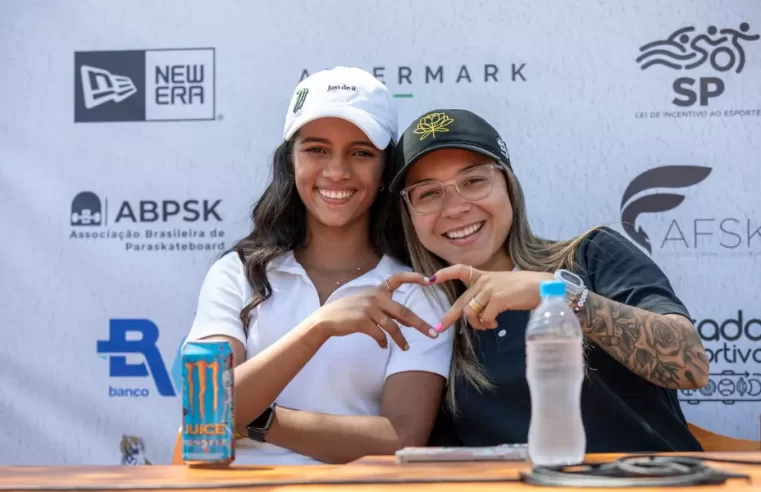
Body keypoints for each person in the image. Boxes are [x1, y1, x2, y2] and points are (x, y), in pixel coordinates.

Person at [388, 108, 710, 453]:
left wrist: (557, 294)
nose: (454, 208)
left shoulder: (590, 254)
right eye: (428, 194)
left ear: (509, 186)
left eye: (474, 181)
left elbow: (689, 366)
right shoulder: (426, 318)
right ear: (409, 214)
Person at [183, 68, 454, 465]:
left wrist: (258, 417)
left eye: (361, 152)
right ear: (290, 162)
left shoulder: (415, 289)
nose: (337, 171)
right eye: (316, 149)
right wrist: (319, 326)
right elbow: (203, 413)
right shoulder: (237, 274)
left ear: (384, 172)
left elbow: (402, 437)